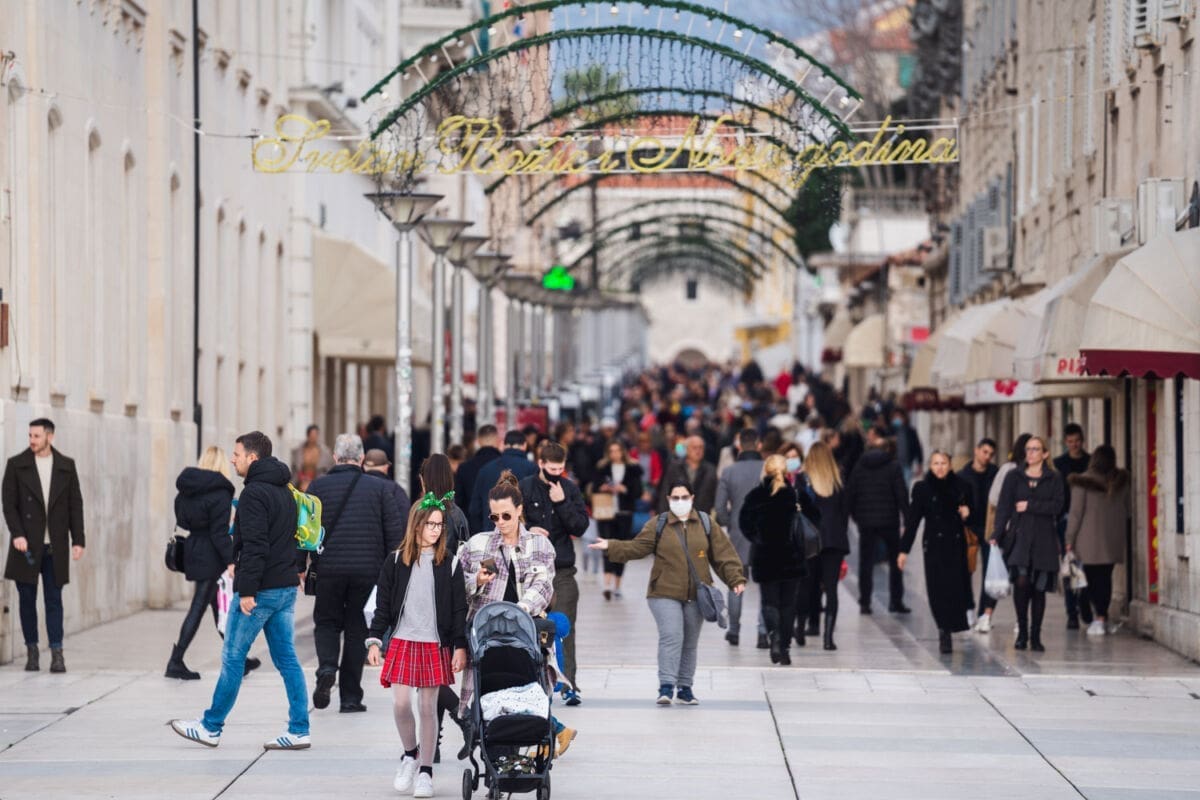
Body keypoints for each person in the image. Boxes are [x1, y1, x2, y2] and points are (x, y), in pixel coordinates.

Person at [170, 431, 310, 750]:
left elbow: (256, 546)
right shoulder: (286, 490)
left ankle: (210, 726)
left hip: (260, 591)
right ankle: (300, 729)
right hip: (285, 587)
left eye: (237, 455)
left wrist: (247, 591)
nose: (233, 460)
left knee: (233, 657)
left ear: (252, 457)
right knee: (287, 659)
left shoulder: (254, 494)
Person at [589, 477, 746, 704]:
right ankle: (666, 686)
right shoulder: (659, 524)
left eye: (684, 497)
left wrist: (735, 579)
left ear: (692, 498)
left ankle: (685, 688)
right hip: (663, 592)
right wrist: (611, 545)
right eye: (675, 498)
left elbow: (724, 555)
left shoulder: (705, 523)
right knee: (672, 636)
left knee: (689, 642)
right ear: (668, 499)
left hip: (697, 594)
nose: (680, 501)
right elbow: (637, 547)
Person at [457, 472, 574, 756]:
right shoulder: (478, 544)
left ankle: (538, 737)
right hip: (486, 634)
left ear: (520, 510)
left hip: (526, 632)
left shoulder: (539, 544)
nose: (500, 522)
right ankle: (497, 752)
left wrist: (520, 611)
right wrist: (476, 580)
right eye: (494, 517)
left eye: (506, 516)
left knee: (528, 688)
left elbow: (543, 585)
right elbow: (457, 585)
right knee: (489, 691)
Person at [366, 496, 468, 798]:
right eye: (430, 524)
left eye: (439, 525)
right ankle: (410, 754)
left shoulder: (450, 563)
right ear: (416, 525)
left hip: (434, 643)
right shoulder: (396, 560)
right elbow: (383, 605)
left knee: (427, 707)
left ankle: (426, 771)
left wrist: (459, 646)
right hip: (403, 640)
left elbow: (459, 609)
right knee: (400, 704)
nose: (435, 530)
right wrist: (375, 639)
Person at [302, 434, 406, 713]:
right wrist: (393, 573)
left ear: (335, 457)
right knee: (357, 629)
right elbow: (394, 535)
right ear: (361, 459)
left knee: (326, 622)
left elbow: (304, 531)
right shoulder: (380, 489)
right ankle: (350, 697)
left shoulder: (317, 487)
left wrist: (300, 566)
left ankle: (327, 668)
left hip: (328, 569)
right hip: (368, 572)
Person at [3, 418, 85, 673]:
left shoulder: (66, 466)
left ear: (50, 436)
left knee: (54, 600)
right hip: (26, 547)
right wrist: (17, 534)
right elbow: (9, 504)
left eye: (36, 436)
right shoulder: (16, 465)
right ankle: (32, 651)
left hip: (55, 546)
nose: (32, 440)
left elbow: (75, 505)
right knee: (27, 600)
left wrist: (78, 540)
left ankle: (57, 653)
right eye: (30, 436)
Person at [519, 442, 590, 705]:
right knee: (529, 627)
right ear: (541, 464)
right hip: (530, 569)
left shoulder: (569, 489)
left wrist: (562, 503)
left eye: (560, 469)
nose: (556, 474)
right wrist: (528, 529)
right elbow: (511, 521)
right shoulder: (525, 488)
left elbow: (580, 526)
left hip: (562, 569)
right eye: (551, 469)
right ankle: (533, 682)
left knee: (564, 626)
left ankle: (569, 684)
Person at [167, 446, 237, 680]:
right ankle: (175, 661)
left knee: (217, 608)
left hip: (193, 548)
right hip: (211, 555)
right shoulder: (221, 493)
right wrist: (231, 561)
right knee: (198, 608)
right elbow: (219, 533)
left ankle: (238, 657)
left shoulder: (188, 489)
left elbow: (182, 519)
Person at [992, 435, 1064, 652]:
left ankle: (1036, 635)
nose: (1030, 453)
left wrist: (1030, 505)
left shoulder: (1053, 478)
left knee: (1039, 589)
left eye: (1035, 449)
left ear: (1045, 453)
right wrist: (996, 533)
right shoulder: (1014, 476)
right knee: (1022, 582)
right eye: (1028, 449)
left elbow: (1058, 506)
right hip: (1020, 537)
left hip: (1044, 539)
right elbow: (1004, 506)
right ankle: (1022, 631)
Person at [899, 452, 973, 654]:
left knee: (954, 588)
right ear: (930, 466)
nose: (940, 467)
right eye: (936, 463)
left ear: (950, 465)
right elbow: (913, 521)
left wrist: (967, 514)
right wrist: (904, 550)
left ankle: (950, 625)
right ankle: (943, 631)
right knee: (937, 589)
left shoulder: (961, 487)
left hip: (956, 545)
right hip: (933, 545)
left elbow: (974, 516)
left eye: (943, 463)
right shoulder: (922, 489)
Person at [738, 455, 807, 665]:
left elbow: (744, 523)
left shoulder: (755, 495)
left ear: (765, 471)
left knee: (769, 602)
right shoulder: (795, 494)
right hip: (791, 556)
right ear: (786, 471)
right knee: (788, 604)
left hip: (765, 556)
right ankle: (785, 648)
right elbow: (813, 518)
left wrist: (758, 538)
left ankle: (774, 637)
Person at [1064, 444, 1130, 636]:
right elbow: (1127, 510)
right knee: (1105, 579)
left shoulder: (1082, 482)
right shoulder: (1120, 482)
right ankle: (1101, 617)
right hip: (1112, 541)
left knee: (1087, 580)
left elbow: (1075, 514)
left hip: (1088, 542)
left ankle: (1091, 615)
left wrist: (1069, 538)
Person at [845, 425, 910, 615]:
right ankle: (896, 601)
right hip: (889, 520)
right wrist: (908, 520)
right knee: (895, 562)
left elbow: (851, 493)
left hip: (866, 522)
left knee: (866, 563)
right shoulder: (893, 466)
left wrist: (854, 516)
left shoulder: (860, 466)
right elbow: (901, 495)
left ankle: (865, 602)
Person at [714, 428, 762, 646]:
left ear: (739, 445)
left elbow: (719, 506)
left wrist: (729, 522)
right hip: (765, 533)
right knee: (766, 585)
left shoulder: (729, 472)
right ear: (758, 445)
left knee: (736, 583)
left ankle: (734, 629)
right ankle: (763, 631)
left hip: (738, 533)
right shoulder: (767, 469)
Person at [801, 442, 850, 650]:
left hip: (811, 540)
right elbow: (845, 514)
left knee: (809, 585)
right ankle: (828, 638)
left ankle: (806, 626)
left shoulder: (805, 481)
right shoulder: (838, 482)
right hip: (835, 540)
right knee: (831, 589)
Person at [591, 439, 645, 601]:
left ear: (623, 452)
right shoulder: (602, 468)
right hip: (606, 512)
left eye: (617, 450)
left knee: (621, 548)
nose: (615, 454)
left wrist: (624, 489)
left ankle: (618, 585)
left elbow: (638, 491)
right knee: (606, 545)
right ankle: (607, 584)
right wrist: (603, 488)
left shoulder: (633, 469)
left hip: (624, 512)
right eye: (612, 451)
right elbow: (593, 487)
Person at [1054, 423, 1093, 630]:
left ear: (1082, 440)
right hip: (1065, 521)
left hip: (1088, 521)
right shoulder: (1058, 464)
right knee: (1070, 567)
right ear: (1065, 442)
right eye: (1070, 441)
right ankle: (1071, 613)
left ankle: (1084, 603)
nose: (1074, 445)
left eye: (1077, 441)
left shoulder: (1090, 462)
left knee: (1087, 566)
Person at [958, 439, 998, 632]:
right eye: (985, 452)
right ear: (976, 450)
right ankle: (968, 608)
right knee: (966, 570)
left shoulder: (996, 474)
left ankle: (985, 613)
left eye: (991, 454)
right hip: (969, 528)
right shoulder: (962, 475)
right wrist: (961, 509)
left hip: (990, 529)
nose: (987, 457)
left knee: (991, 571)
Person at [468, 429, 537, 533]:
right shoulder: (532, 468)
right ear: (524, 445)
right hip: (521, 532)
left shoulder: (485, 469)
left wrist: (481, 532)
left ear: (504, 445)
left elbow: (474, 509)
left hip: (490, 531)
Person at [656, 435, 718, 514]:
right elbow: (665, 493)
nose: (698, 451)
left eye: (701, 447)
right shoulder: (675, 468)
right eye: (694, 447)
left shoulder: (711, 470)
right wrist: (663, 515)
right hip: (677, 514)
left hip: (701, 516)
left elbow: (715, 496)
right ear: (687, 449)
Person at [362, 449, 412, 534]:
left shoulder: (356, 486)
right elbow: (405, 519)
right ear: (386, 467)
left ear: (364, 466)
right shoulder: (395, 489)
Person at [454, 424, 501, 515]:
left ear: (478, 441)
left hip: (471, 521)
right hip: (502, 520)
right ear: (497, 441)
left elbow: (459, 501)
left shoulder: (464, 468)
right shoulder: (506, 466)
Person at [289, 424, 333, 491]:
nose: (314, 437)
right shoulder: (298, 451)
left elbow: (328, 469)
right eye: (312, 435)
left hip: (318, 483)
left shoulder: (325, 452)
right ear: (308, 435)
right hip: (300, 483)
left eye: (315, 435)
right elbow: (294, 469)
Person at [890, 409, 924, 485]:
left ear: (904, 418)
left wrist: (919, 463)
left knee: (905, 486)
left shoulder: (911, 431)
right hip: (893, 465)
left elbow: (917, 448)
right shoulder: (890, 431)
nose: (897, 419)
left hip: (907, 465)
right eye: (895, 417)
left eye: (899, 417)